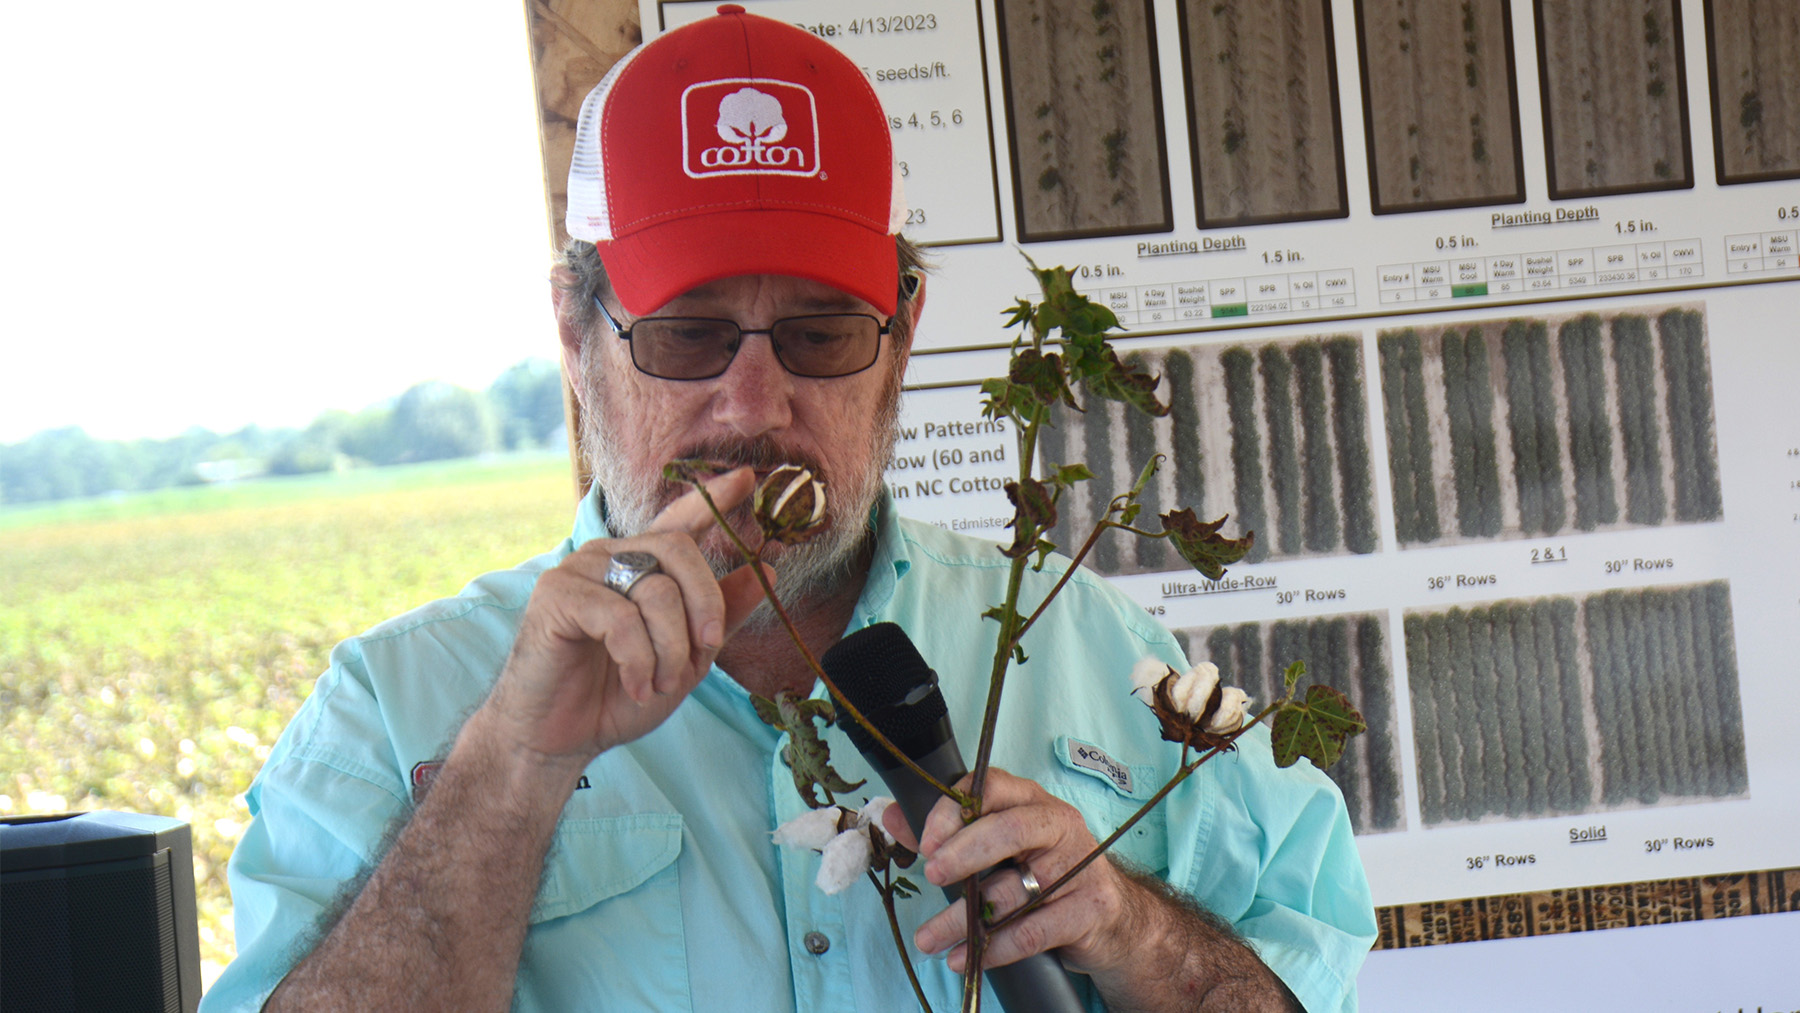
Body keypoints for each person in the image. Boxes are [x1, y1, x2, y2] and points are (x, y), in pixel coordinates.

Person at [202, 7, 1376, 1011]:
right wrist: (511, 766)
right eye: (686, 335)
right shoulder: (395, 711)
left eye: (819, 333)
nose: (752, 406)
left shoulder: (1097, 655)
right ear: (576, 332)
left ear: (902, 334)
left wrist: (1133, 929)